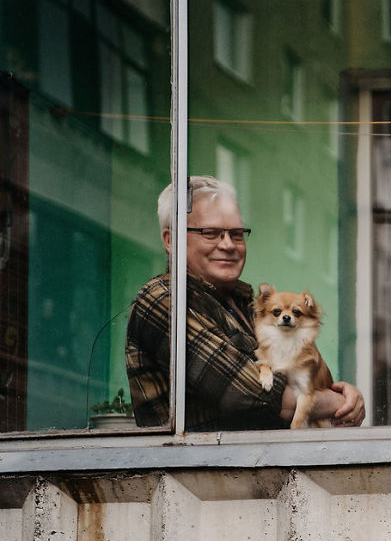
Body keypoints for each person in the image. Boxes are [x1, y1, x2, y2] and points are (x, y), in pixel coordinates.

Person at [126, 176, 365, 431]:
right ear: (171, 240)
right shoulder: (164, 299)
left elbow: (297, 373)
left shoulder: (246, 306)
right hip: (201, 468)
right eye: (211, 233)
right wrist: (336, 401)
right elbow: (249, 392)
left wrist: (344, 396)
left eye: (237, 234)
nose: (228, 245)